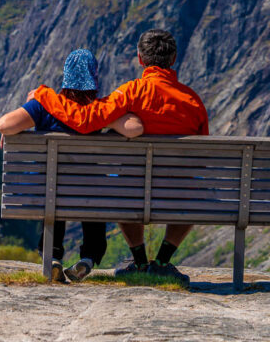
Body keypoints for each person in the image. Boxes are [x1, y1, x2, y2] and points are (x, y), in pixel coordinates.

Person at [30, 29, 208, 285]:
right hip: (179, 194)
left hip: (132, 193)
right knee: (191, 188)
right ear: (174, 58)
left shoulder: (131, 93)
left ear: (140, 59)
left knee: (122, 182)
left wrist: (43, 96)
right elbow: (202, 156)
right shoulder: (193, 102)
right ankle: (161, 262)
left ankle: (139, 260)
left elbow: (84, 120)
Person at [0, 49, 143, 283]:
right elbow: (134, 129)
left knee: (53, 187)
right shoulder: (100, 111)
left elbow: (5, 124)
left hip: (49, 192)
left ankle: (53, 257)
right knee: (93, 188)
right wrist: (116, 107)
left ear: (65, 77)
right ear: (94, 78)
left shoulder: (44, 105)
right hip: (90, 192)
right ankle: (88, 258)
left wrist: (33, 100)